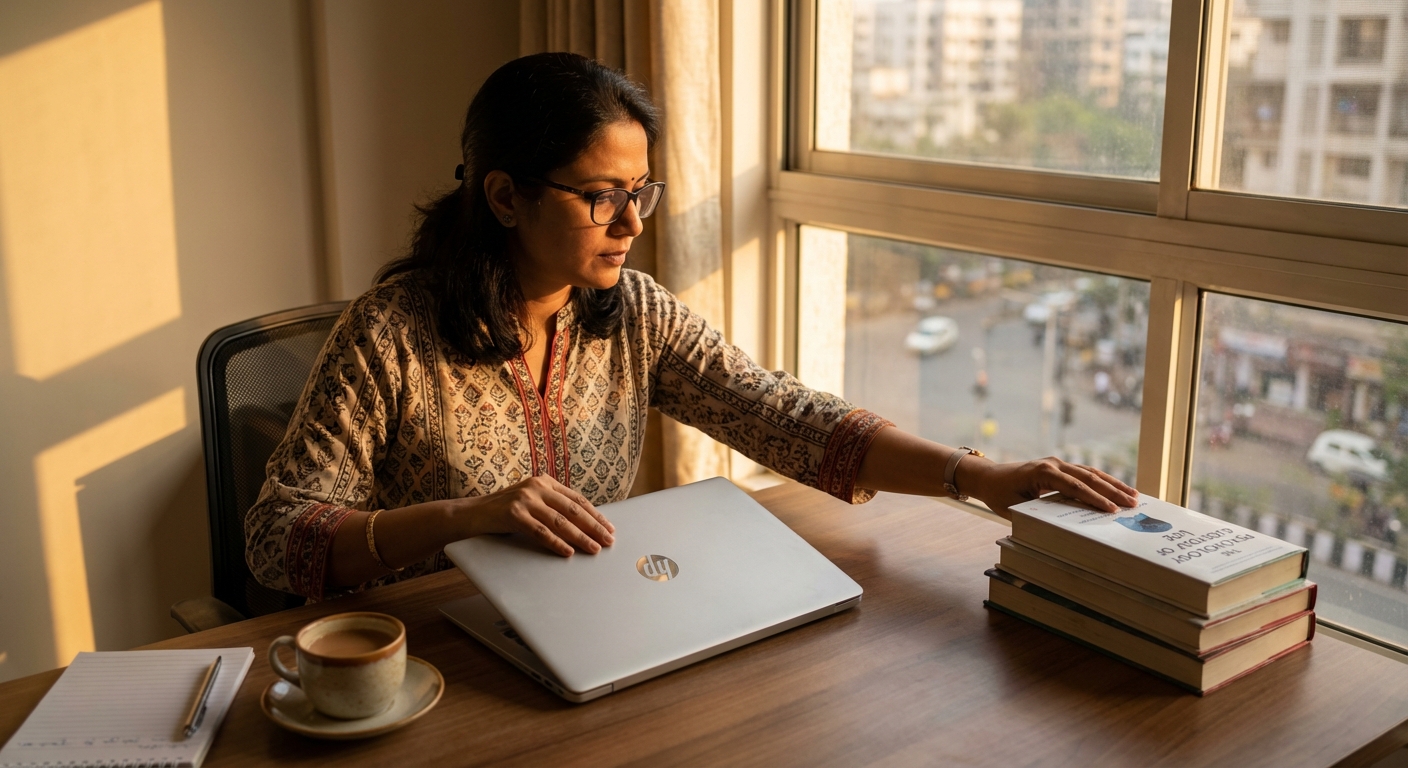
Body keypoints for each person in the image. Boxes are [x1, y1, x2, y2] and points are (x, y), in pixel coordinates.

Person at [245, 52, 1137, 602]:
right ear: (505, 196)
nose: (632, 224)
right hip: (429, 657)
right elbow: (276, 540)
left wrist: (977, 477)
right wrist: (462, 518)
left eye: (641, 193)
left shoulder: (633, 315)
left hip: (592, 620)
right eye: (602, 197)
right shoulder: (391, 333)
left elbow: (784, 417)